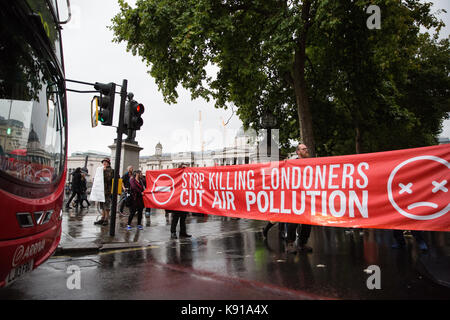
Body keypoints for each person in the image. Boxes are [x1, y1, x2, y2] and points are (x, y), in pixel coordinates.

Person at [285, 143, 313, 254]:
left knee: (307, 222)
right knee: (293, 221)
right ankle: (290, 244)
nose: (306, 150)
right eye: (303, 149)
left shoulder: (312, 163)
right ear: (298, 152)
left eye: (307, 148)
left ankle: (302, 243)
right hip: (294, 198)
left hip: (307, 197)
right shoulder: (292, 164)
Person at [170, 163, 192, 239]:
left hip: (184, 201)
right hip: (177, 201)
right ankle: (173, 232)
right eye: (183, 168)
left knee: (183, 218)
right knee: (175, 218)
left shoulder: (187, 178)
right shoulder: (175, 177)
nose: (184, 169)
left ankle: (183, 232)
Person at [94, 158, 114, 226]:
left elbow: (108, 178)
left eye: (105, 162)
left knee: (107, 205)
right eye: (103, 162)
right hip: (101, 189)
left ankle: (106, 219)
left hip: (107, 190)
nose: (104, 163)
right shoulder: (101, 169)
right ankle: (102, 218)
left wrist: (104, 171)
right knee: (102, 205)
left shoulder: (110, 170)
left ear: (108, 163)